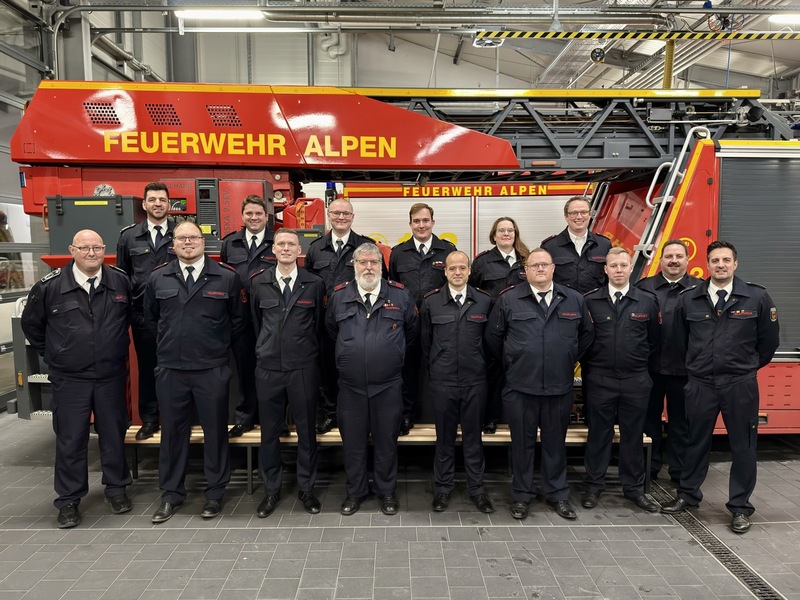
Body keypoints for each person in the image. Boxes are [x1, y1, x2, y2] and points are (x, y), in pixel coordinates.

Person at [661, 241, 780, 534]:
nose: (721, 265)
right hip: (700, 384)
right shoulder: (690, 299)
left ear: (735, 264)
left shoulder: (757, 297)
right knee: (695, 441)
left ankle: (740, 508)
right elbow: (678, 342)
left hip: (739, 385)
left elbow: (768, 342)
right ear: (707, 264)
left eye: (726, 260)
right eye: (715, 260)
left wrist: (746, 367)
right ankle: (688, 494)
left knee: (743, 446)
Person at [21, 230, 132, 528]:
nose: (91, 253)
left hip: (110, 375)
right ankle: (69, 500)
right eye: (84, 248)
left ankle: (116, 489)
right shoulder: (50, 287)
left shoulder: (120, 281)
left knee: (113, 434)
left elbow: (132, 320)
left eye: (97, 247)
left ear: (104, 250)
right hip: (70, 378)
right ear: (72, 250)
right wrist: (58, 353)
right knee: (71, 439)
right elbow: (33, 326)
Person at [144, 220, 248, 523]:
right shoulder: (157, 278)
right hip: (171, 370)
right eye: (181, 239)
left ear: (203, 243)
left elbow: (238, 322)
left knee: (216, 432)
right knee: (172, 434)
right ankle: (171, 495)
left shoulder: (226, 278)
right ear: (172, 244)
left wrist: (214, 346)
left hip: (211, 368)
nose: (188, 243)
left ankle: (215, 494)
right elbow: (151, 319)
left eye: (193, 238)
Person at [485, 248, 594, 521]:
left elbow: (587, 337)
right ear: (526, 271)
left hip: (559, 386)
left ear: (554, 268)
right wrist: (517, 360)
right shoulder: (508, 299)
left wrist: (565, 357)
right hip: (520, 388)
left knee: (555, 444)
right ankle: (522, 496)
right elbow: (493, 339)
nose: (540, 269)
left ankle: (557, 494)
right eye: (534, 266)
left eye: (545, 264)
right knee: (521, 445)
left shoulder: (574, 299)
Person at [327, 243, 419, 516]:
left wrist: (390, 355)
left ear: (382, 266)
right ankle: (355, 492)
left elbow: (411, 334)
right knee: (353, 444)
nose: (368, 267)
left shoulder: (401, 296)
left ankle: (386, 492)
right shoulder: (339, 296)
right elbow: (331, 330)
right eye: (363, 262)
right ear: (353, 266)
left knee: (386, 442)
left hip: (388, 386)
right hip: (351, 388)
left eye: (374, 262)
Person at [249, 229, 325, 518]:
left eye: (291, 244)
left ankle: (307, 489)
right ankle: (271, 490)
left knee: (307, 432)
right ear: (274, 249)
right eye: (280, 243)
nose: (285, 248)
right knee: (269, 433)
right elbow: (256, 325)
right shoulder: (259, 283)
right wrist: (267, 347)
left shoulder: (314, 283)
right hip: (268, 369)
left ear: (299, 249)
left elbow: (318, 328)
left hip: (303, 368)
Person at [581, 248, 661, 512]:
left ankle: (634, 489)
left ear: (630, 268)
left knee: (633, 436)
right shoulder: (590, 301)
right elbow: (583, 341)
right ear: (605, 269)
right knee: (599, 435)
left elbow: (655, 342)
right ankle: (593, 487)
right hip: (600, 379)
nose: (618, 270)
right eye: (613, 265)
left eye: (623, 265)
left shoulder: (647, 301)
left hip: (636, 380)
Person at [421, 251, 494, 513]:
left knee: (474, 439)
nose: (457, 272)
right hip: (443, 382)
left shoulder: (484, 301)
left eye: (462, 268)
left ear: (470, 271)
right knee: (445, 439)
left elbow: (491, 344)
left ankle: (477, 490)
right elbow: (425, 343)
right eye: (452, 268)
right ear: (445, 272)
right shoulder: (431, 302)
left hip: (476, 381)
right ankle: (442, 489)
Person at [305, 199, 386, 435]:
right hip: (328, 322)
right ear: (329, 215)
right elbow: (310, 284)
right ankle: (332, 414)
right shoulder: (316, 248)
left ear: (353, 217)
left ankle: (366, 417)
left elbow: (380, 281)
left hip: (362, 320)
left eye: (346, 213)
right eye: (336, 213)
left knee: (361, 370)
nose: (341, 217)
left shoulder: (366, 246)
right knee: (329, 369)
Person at [636, 239, 703, 482]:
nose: (674, 260)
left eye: (679, 256)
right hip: (649, 369)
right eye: (669, 256)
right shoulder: (644, 288)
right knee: (648, 420)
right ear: (660, 260)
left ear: (687, 260)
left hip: (685, 370)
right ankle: (649, 468)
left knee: (681, 423)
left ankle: (679, 471)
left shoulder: (700, 289)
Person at [117, 182, 177, 440]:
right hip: (143, 316)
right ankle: (150, 420)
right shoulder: (129, 237)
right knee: (149, 369)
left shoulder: (182, 233)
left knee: (177, 370)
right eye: (152, 199)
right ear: (144, 204)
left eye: (162, 199)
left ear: (169, 204)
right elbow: (122, 277)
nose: (157, 204)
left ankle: (176, 420)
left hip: (176, 316)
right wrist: (131, 314)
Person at [389, 203, 455, 435]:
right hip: (406, 323)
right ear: (410, 224)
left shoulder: (447, 250)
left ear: (433, 223)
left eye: (425, 220)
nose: (421, 225)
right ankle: (406, 415)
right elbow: (393, 285)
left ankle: (442, 417)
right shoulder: (398, 252)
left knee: (439, 370)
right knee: (407, 370)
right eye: (416, 221)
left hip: (440, 323)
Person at [220, 194, 276, 438]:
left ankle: (271, 418)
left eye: (258, 213)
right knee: (244, 368)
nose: (254, 218)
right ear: (243, 216)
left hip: (270, 315)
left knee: (271, 369)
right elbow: (224, 276)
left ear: (266, 216)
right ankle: (245, 418)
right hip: (240, 315)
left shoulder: (278, 241)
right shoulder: (230, 243)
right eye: (249, 214)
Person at [469, 216, 530, 434]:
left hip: (521, 328)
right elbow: (473, 293)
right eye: (501, 230)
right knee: (492, 375)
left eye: (510, 230)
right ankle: (491, 418)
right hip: (491, 330)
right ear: (494, 235)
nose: (506, 234)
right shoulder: (482, 262)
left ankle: (520, 420)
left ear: (516, 234)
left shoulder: (526, 259)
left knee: (520, 374)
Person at [541, 196, 611, 293]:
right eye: (574, 213)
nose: (579, 217)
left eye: (584, 212)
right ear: (566, 216)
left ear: (590, 214)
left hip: (595, 306)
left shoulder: (604, 245)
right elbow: (542, 281)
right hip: (562, 305)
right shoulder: (550, 247)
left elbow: (610, 280)